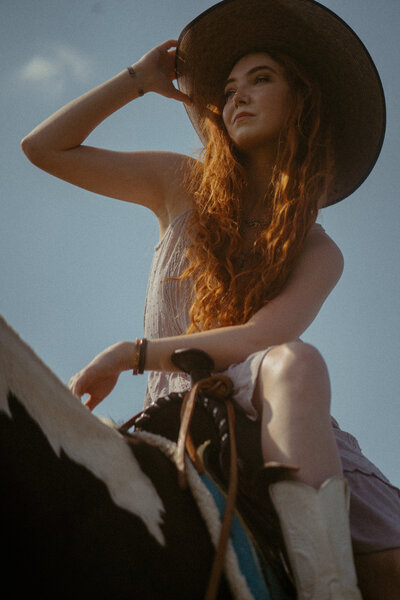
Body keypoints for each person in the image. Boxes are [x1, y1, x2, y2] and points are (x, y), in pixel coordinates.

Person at [21, 0, 399, 597]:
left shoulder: (317, 248)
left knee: (391, 553)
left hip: (285, 412)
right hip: (183, 407)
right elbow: (43, 148)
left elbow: (262, 339)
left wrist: (131, 352)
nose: (236, 97)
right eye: (227, 88)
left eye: (261, 79)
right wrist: (139, 82)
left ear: (302, 101)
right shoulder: (180, 183)